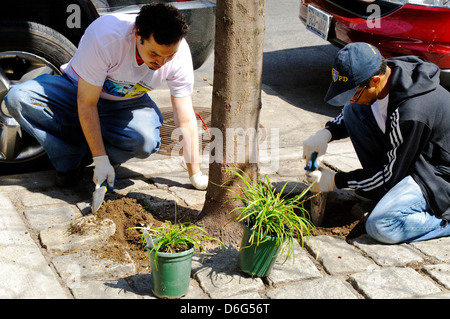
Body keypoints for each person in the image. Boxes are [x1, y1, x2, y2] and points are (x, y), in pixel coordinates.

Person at [4, 2, 208, 190]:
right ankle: (71, 160)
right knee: (18, 98)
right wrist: (100, 158)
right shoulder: (107, 37)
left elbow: (185, 116)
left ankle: (91, 156)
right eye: (154, 54)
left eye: (168, 56)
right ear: (138, 34)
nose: (161, 63)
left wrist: (195, 174)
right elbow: (87, 103)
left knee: (146, 141)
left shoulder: (179, 54)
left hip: (127, 104)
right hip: (76, 92)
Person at [303, 42, 450, 244]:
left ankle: (443, 223)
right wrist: (327, 133)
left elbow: (390, 175)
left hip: (439, 176)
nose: (351, 99)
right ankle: (380, 190)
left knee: (381, 225)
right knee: (353, 111)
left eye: (353, 93)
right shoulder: (389, 74)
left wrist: (335, 181)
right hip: (415, 156)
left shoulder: (410, 114)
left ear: (375, 80)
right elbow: (351, 110)